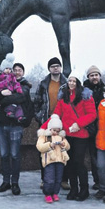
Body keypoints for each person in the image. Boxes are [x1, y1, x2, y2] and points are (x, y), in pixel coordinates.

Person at [40, 70, 96, 201]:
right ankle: (74, 189)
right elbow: (56, 115)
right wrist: (43, 129)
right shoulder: (63, 97)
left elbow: (92, 114)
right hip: (67, 134)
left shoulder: (85, 96)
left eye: (74, 81)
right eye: (70, 80)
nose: (71, 83)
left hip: (81, 134)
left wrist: (78, 123)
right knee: (69, 163)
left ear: (78, 82)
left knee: (78, 162)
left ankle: (84, 189)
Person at [0, 61, 31, 196]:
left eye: (20, 70)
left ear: (23, 72)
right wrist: (1, 93)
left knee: (14, 155)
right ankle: (6, 181)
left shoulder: (25, 85)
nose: (17, 72)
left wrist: (3, 98)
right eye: (15, 70)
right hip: (2, 124)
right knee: (4, 155)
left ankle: (15, 183)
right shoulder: (3, 82)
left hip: (16, 126)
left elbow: (20, 97)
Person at [34, 57, 68, 189]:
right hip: (47, 122)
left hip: (62, 122)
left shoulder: (66, 83)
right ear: (49, 69)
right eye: (53, 66)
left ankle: (64, 179)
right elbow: (36, 102)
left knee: (63, 149)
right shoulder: (43, 83)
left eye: (57, 66)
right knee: (45, 150)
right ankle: (45, 179)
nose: (55, 68)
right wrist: (39, 117)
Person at [36, 114, 70, 203]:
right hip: (49, 161)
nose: (56, 132)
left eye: (58, 131)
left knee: (58, 179)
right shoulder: (45, 136)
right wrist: (49, 145)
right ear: (49, 129)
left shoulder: (61, 137)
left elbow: (68, 147)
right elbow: (39, 147)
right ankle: (47, 193)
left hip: (60, 161)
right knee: (49, 179)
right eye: (54, 130)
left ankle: (55, 193)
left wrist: (64, 144)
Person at [83, 65, 105, 190]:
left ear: (99, 76)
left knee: (103, 157)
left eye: (96, 75)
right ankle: (97, 181)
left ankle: (104, 180)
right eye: (92, 75)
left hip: (103, 127)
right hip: (89, 128)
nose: (94, 77)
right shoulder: (84, 90)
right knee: (93, 156)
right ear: (88, 77)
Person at [0, 53, 24, 122]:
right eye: (6, 68)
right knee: (8, 105)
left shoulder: (12, 77)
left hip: (10, 92)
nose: (8, 70)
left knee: (17, 106)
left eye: (10, 69)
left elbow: (16, 83)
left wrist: (18, 89)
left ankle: (20, 116)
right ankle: (9, 113)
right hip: (1, 91)